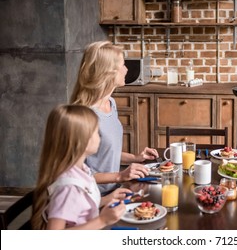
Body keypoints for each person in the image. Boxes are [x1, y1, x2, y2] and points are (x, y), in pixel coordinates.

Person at [70, 41, 159, 195]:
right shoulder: (84, 115)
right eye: (123, 65)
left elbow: (104, 154)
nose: (126, 69)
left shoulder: (110, 103)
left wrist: (135, 158)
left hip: (114, 190)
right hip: (89, 198)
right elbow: (73, 175)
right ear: (109, 72)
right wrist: (120, 176)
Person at [31, 105, 130, 230]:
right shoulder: (68, 187)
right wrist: (102, 220)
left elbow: (79, 206)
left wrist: (108, 199)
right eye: (96, 132)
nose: (100, 137)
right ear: (83, 141)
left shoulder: (81, 170)